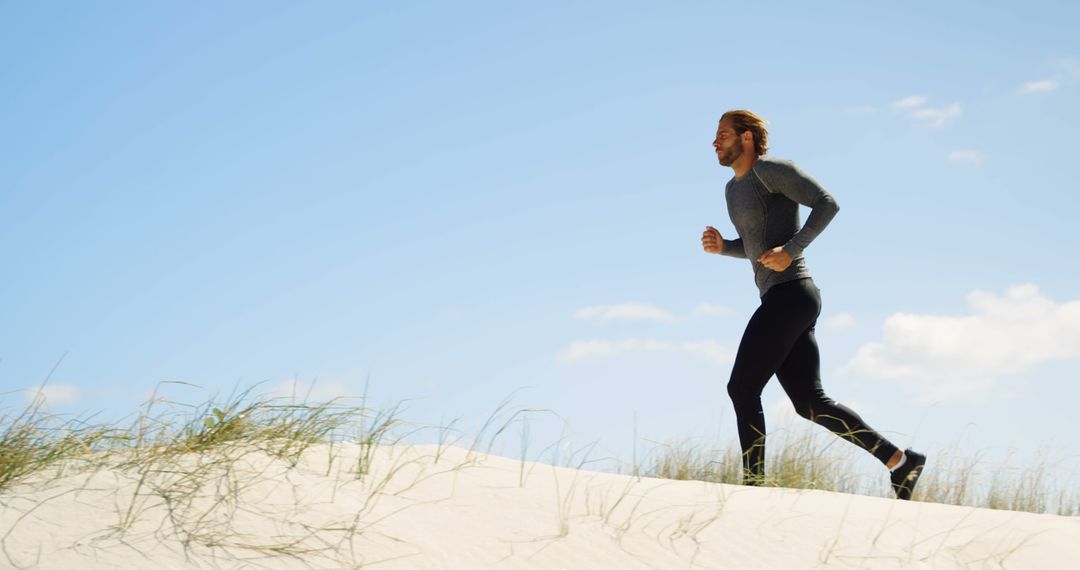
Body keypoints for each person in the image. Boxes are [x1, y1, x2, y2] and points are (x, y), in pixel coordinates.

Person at [700, 109, 926, 500]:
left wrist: (792, 249)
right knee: (810, 403)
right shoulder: (732, 190)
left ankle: (753, 488)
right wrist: (725, 248)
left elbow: (826, 203)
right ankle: (900, 462)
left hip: (793, 294)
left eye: (723, 133)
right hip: (781, 298)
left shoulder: (772, 170)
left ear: (747, 137)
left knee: (742, 387)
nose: (714, 142)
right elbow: (757, 249)